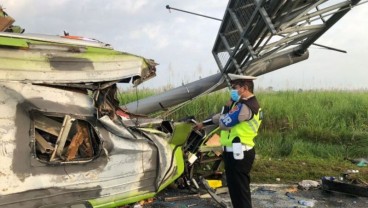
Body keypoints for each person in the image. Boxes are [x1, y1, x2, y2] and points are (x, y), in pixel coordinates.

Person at [196, 73, 263, 208]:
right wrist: (204, 123)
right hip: (233, 152)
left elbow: (225, 122)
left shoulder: (246, 107)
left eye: (235, 87)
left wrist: (227, 108)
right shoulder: (242, 104)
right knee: (234, 189)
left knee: (240, 191)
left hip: (240, 154)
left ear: (244, 88)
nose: (232, 90)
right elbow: (223, 117)